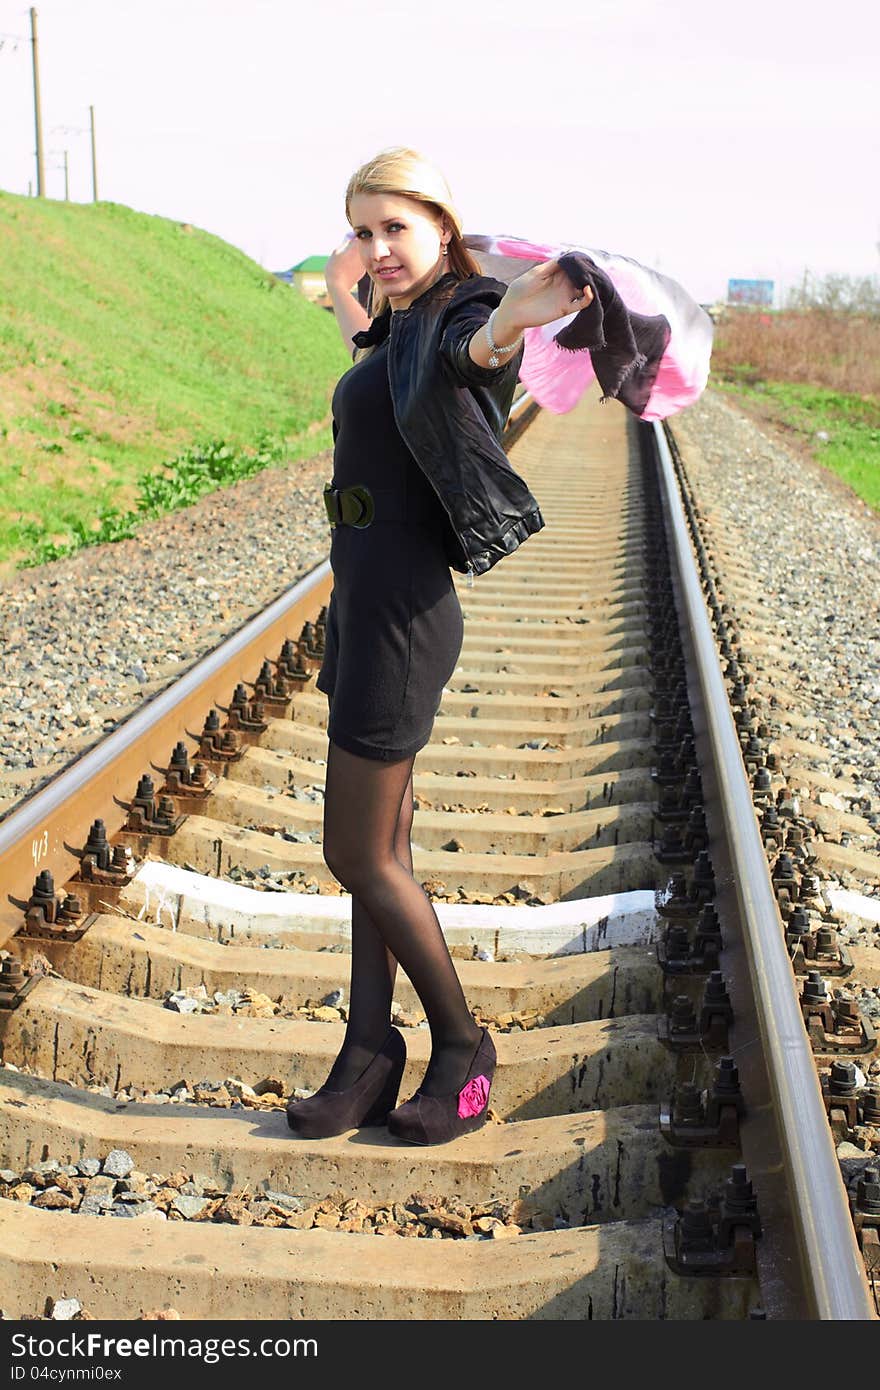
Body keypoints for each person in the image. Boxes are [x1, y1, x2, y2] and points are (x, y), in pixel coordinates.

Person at [285, 146, 593, 1146]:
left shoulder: (459, 312)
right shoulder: (395, 328)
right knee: (384, 848)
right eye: (361, 231)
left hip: (402, 616)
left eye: (395, 230)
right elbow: (384, 369)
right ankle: (368, 1053)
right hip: (363, 601)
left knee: (355, 852)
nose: (376, 248)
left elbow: (476, 349)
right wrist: (344, 297)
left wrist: (511, 317)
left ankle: (461, 1047)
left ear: (442, 228)